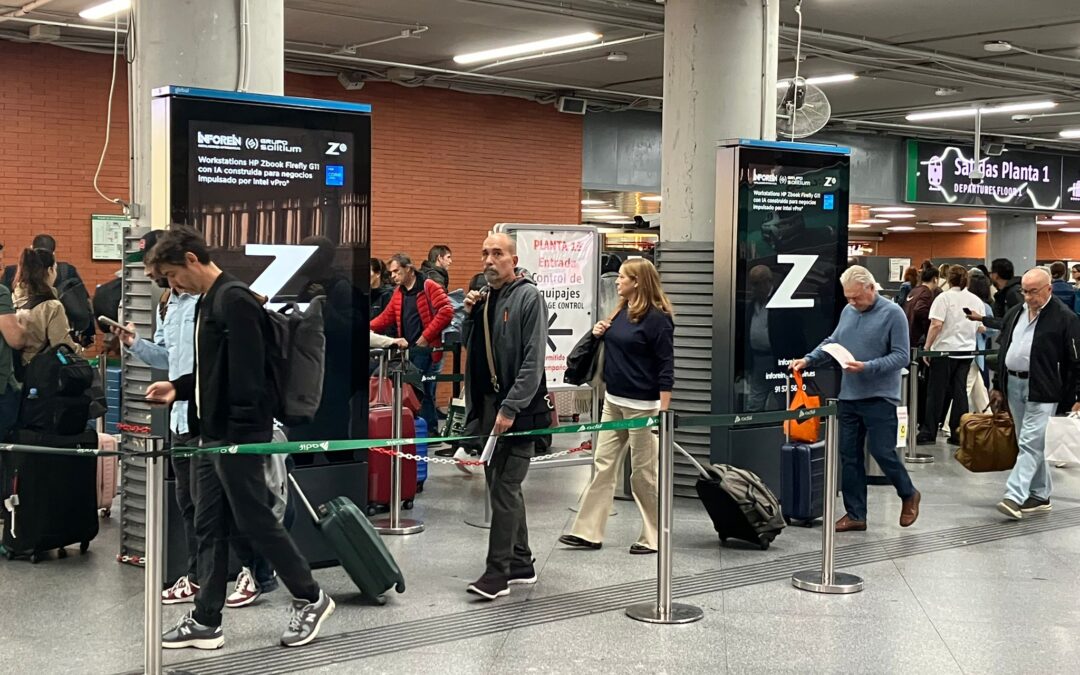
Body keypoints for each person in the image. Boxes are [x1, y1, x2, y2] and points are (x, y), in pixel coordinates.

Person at [144, 226, 334, 650]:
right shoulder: (210, 301)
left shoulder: (235, 300)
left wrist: (238, 438)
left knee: (255, 520)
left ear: (192, 259)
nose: (173, 285)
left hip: (237, 436)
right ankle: (206, 619)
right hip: (210, 431)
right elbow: (216, 369)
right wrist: (180, 386)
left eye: (173, 274)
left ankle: (311, 597)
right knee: (209, 523)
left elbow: (252, 377)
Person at [792, 265, 920, 532]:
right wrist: (809, 359)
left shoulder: (893, 314)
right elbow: (833, 341)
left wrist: (867, 366)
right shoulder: (849, 311)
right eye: (848, 297)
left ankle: (908, 493)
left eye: (856, 297)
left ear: (871, 288)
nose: (852, 302)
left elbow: (901, 356)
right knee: (849, 455)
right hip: (849, 396)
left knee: (882, 451)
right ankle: (855, 514)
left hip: (880, 397)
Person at [558, 258, 673, 554]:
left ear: (637, 282)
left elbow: (666, 368)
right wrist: (599, 331)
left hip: (643, 407)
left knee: (643, 474)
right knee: (603, 465)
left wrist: (662, 412)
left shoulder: (658, 319)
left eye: (622, 277)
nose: (617, 281)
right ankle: (588, 532)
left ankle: (653, 536)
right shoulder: (621, 310)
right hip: (613, 401)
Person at [461, 232, 551, 600]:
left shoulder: (529, 297)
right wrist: (468, 316)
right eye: (484, 253)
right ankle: (521, 561)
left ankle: (497, 574)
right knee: (501, 485)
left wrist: (511, 407)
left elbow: (533, 359)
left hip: (517, 409)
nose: (488, 260)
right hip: (486, 407)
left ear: (513, 259)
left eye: (497, 253)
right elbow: (471, 347)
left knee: (505, 487)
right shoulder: (485, 299)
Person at [990, 267, 1080, 519]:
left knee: (1030, 442)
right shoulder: (1015, 313)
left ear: (1049, 289)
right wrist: (998, 385)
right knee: (1028, 441)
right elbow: (1004, 349)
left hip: (1045, 388)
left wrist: (1077, 397)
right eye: (1025, 291)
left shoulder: (1065, 318)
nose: (1028, 297)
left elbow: (1077, 361)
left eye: (1034, 292)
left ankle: (1014, 495)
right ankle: (1040, 494)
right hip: (1014, 385)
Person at [370, 253, 454, 433]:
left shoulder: (428, 285)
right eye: (391, 273)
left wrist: (425, 337)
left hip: (427, 349)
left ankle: (428, 431)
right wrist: (366, 328)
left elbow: (447, 311)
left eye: (396, 271)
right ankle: (420, 430)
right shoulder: (398, 292)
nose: (392, 276)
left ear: (408, 269)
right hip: (411, 350)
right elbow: (387, 317)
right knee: (417, 391)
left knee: (424, 392)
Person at [917, 265, 984, 445]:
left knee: (936, 392)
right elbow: (981, 327)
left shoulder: (943, 298)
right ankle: (958, 432)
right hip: (966, 351)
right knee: (960, 392)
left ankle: (928, 432)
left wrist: (927, 346)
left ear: (947, 278)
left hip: (944, 351)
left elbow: (936, 324)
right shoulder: (976, 300)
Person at [4, 234, 94, 346]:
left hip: (18, 350)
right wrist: (89, 333)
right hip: (58, 341)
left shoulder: (11, 272)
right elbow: (83, 300)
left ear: (32, 248)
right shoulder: (67, 271)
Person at [12, 247, 81, 364]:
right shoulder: (51, 306)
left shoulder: (13, 300)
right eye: (55, 269)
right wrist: (79, 350)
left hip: (14, 372)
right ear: (50, 270)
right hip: (41, 373)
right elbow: (61, 346)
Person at [971, 258, 1023, 331]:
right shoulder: (1005, 293)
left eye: (991, 272)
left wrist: (981, 318)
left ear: (996, 275)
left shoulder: (1013, 293)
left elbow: (1009, 322)